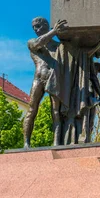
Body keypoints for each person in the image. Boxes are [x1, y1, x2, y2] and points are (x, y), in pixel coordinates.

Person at [22, 17, 67, 149]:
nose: (36, 30)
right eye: (34, 28)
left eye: (38, 26)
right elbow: (38, 44)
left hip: (53, 79)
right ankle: (26, 143)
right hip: (38, 79)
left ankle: (56, 143)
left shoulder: (58, 47)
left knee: (56, 112)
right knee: (32, 109)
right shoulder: (32, 42)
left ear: (46, 25)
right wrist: (54, 32)